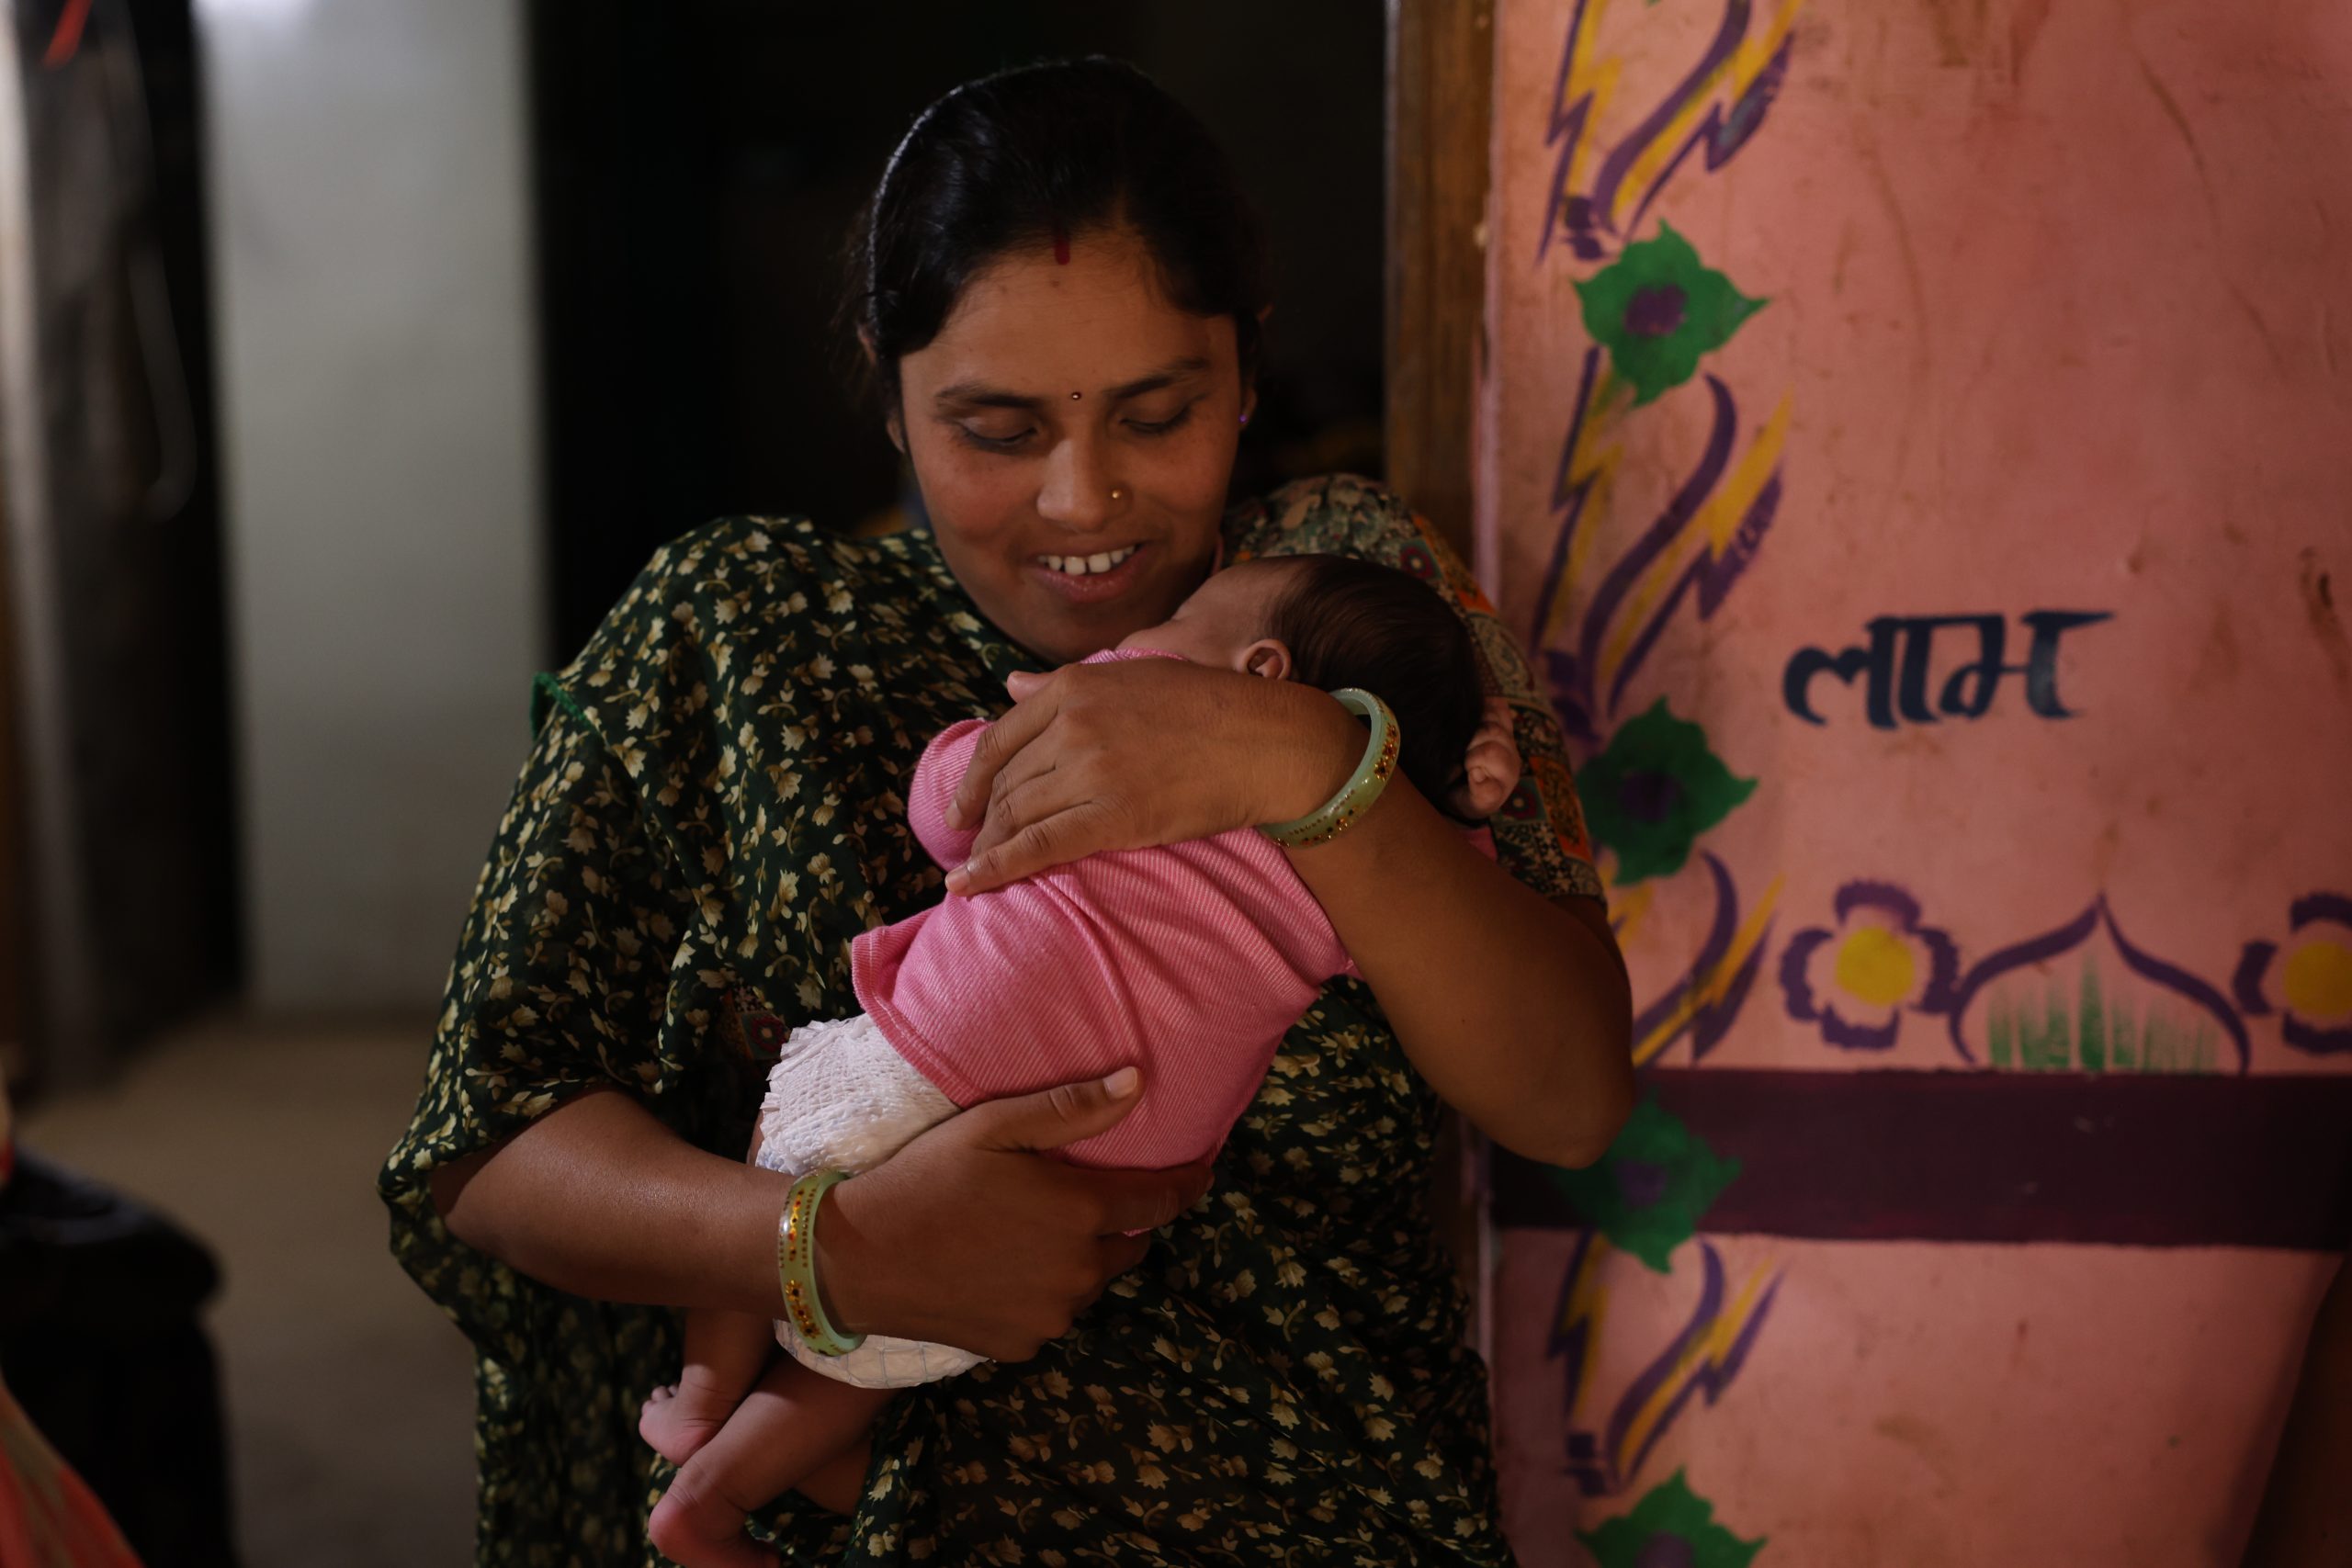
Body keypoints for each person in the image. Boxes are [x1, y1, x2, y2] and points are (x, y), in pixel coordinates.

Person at [383, 56, 1634, 1565]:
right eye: (996, 430)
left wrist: (1303, 765)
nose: (1081, 501)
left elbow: (1568, 1094)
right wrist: (825, 1247)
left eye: (1159, 414)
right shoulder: (735, 634)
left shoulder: (1352, 608)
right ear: (889, 396)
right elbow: (485, 1142)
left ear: (1248, 372)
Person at [640, 554, 1531, 1568]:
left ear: (1259, 668)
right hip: (1082, 1176)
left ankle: (705, 1393)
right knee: (861, 1366)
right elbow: (1427, 922)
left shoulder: (1109, 759)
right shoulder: (1344, 857)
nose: (1135, 644)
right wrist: (1465, 805)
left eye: (1180, 623)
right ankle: (716, 1499)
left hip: (926, 1054)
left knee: (776, 1167)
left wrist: (990, 741)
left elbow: (948, 812)